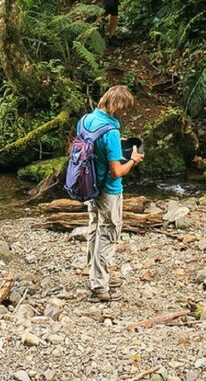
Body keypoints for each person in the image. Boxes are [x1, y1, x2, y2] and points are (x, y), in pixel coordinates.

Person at [80, 84, 142, 302]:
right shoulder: (111, 133)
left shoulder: (86, 120)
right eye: (124, 109)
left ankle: (94, 272)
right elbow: (117, 172)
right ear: (117, 107)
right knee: (108, 234)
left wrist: (118, 143)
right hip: (108, 190)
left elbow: (94, 147)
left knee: (95, 228)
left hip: (89, 186)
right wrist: (133, 160)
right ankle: (99, 286)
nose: (125, 113)